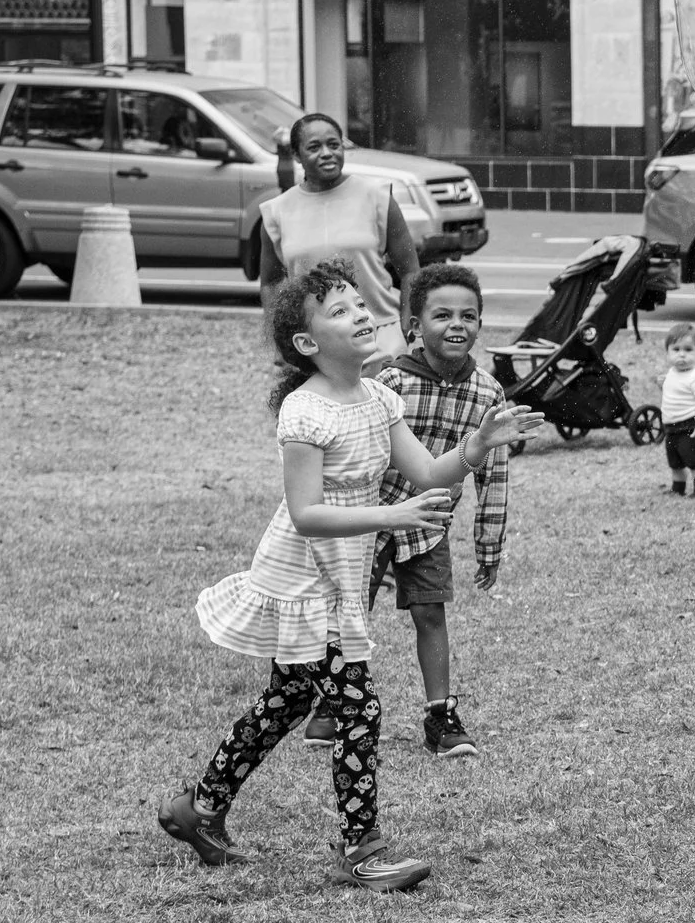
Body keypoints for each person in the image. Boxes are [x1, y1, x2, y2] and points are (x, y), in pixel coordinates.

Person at [159, 260, 536, 890]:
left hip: (340, 570)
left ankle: (196, 808)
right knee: (357, 707)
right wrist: (392, 515)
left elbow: (426, 474)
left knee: (286, 700)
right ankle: (362, 851)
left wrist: (476, 445)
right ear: (308, 345)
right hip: (304, 577)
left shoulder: (380, 399)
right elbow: (306, 514)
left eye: (359, 304)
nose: (361, 314)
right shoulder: (304, 414)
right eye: (340, 311)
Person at [370, 263, 510, 758]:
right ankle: (331, 703)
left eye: (468, 316)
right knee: (347, 613)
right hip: (373, 518)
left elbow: (495, 475)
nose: (457, 324)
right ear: (415, 326)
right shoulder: (387, 384)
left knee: (431, 611)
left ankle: (441, 716)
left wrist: (489, 544)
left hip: (429, 524)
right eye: (442, 314)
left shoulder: (488, 394)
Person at [256, 113, 419, 348]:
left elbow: (411, 270)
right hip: (315, 344)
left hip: (380, 336)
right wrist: (279, 342)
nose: (326, 153)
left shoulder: (378, 197)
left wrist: (405, 325)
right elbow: (270, 284)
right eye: (314, 147)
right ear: (296, 155)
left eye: (334, 145)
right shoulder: (276, 212)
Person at [659, 324, 695, 498]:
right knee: (675, 462)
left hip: (689, 425)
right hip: (670, 426)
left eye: (688, 349)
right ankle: (678, 488)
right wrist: (662, 383)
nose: (682, 354)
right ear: (667, 353)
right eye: (676, 349)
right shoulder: (671, 373)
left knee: (694, 460)